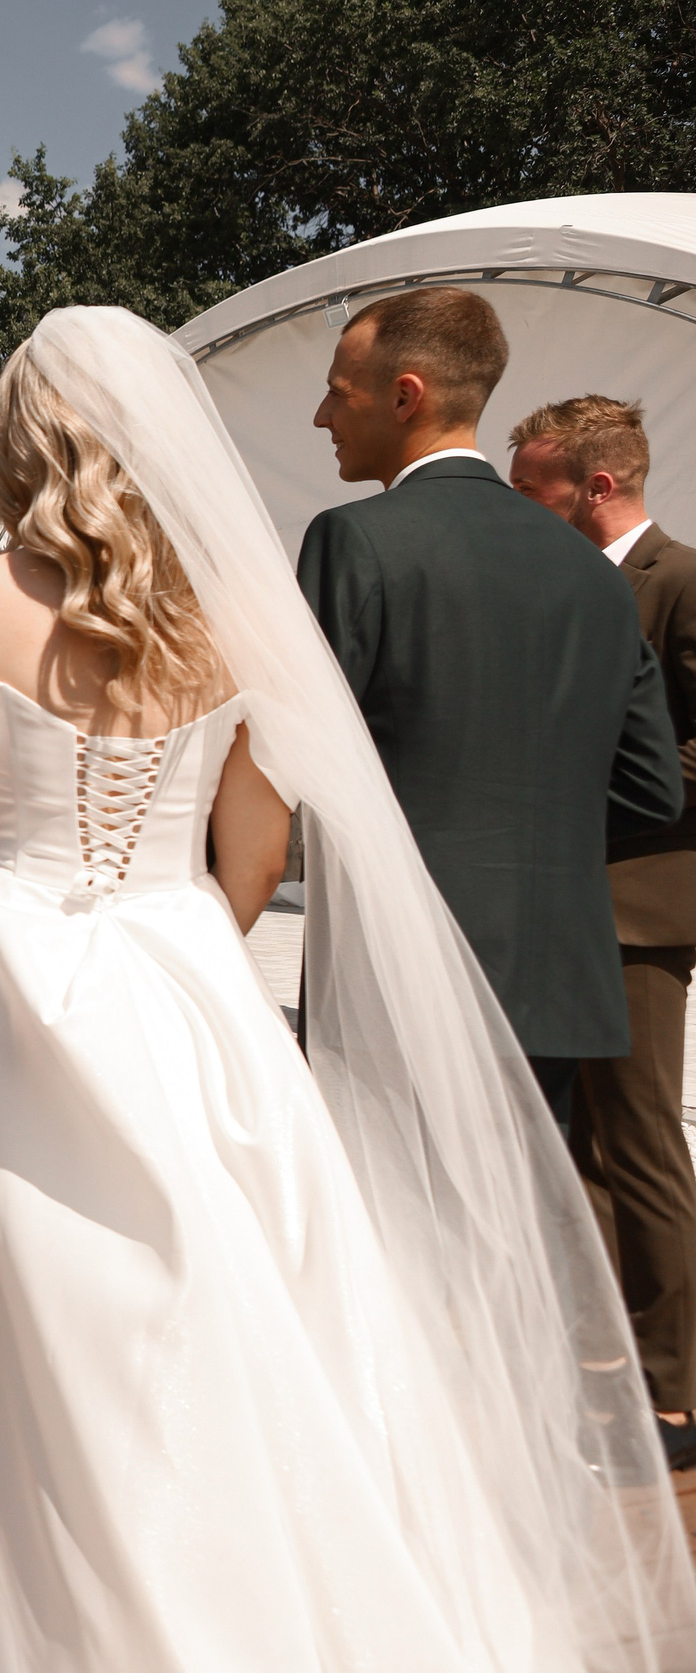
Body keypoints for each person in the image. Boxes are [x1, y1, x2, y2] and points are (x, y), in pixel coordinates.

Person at [0, 306, 696, 1669]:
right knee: (231, 1274)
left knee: (31, 1290)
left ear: (23, 441)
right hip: (190, 959)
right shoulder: (238, 612)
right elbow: (257, 842)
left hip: (28, 957)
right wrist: (179, 938)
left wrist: (66, 920)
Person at [299, 287, 679, 1129]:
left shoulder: (353, 540)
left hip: (403, 966)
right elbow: (654, 790)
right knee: (520, 1250)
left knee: (400, 1240)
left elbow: (302, 755)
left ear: (407, 395)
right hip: (558, 976)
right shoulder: (597, 575)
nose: (322, 414)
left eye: (337, 388)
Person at [509, 393, 696, 1464]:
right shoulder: (566, 585)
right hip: (564, 902)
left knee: (637, 1144)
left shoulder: (677, 580)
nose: (518, 506)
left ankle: (673, 1394)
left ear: (596, 486)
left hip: (638, 906)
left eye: (532, 488)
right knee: (581, 1150)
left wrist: (577, 786)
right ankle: (606, 1371)